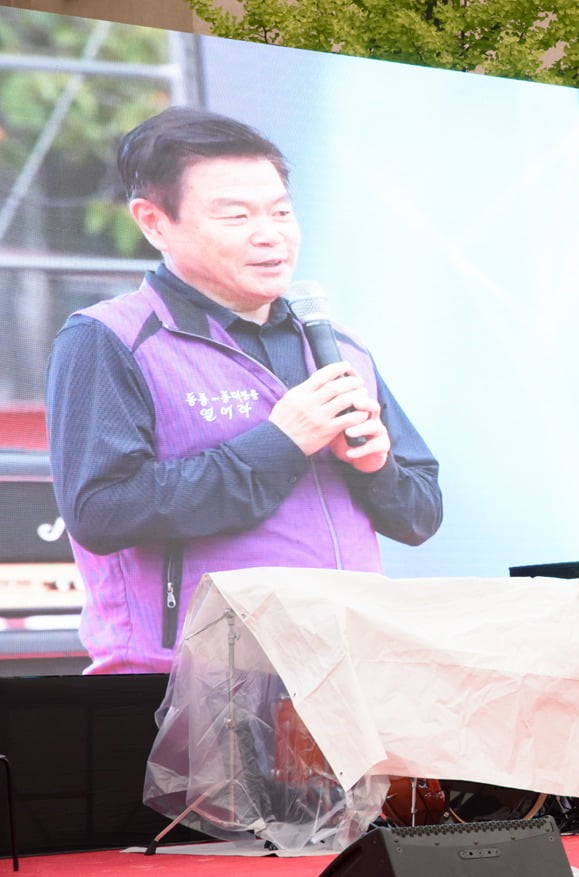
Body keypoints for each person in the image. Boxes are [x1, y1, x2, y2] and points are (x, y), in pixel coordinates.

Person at [45, 106, 443, 675]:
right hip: (191, 690)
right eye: (235, 216)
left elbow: (420, 515)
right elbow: (102, 511)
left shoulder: (335, 344)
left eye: (281, 211)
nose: (269, 235)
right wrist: (281, 443)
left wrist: (378, 468)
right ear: (154, 221)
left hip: (350, 674)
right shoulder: (109, 338)